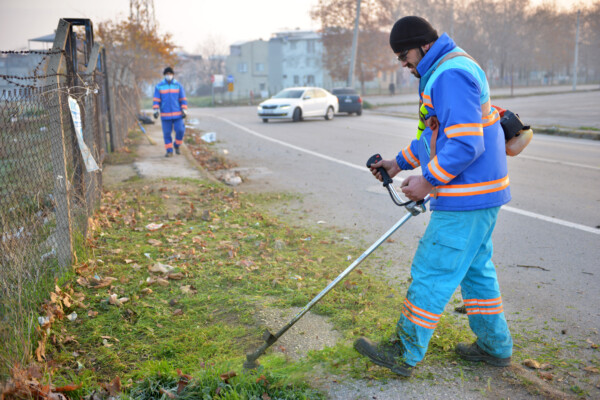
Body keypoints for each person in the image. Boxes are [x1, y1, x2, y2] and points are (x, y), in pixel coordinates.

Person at [354, 16, 513, 377]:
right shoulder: (445, 67)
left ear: (422, 45)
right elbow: (436, 136)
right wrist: (398, 163)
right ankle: (494, 346)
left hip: (467, 195)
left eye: (403, 55)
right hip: (481, 193)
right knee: (476, 272)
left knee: (432, 268)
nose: (403, 63)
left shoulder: (448, 75)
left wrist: (426, 181)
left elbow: (465, 144)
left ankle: (404, 350)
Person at [153, 67, 188, 157]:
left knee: (180, 130)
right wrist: (156, 110)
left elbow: (182, 99)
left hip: (178, 114)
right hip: (165, 115)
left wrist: (184, 109)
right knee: (167, 133)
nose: (169, 75)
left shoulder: (178, 86)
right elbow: (156, 99)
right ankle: (169, 151)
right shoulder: (159, 86)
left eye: (170, 74)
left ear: (173, 75)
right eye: (167, 74)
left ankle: (176, 145)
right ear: (164, 75)